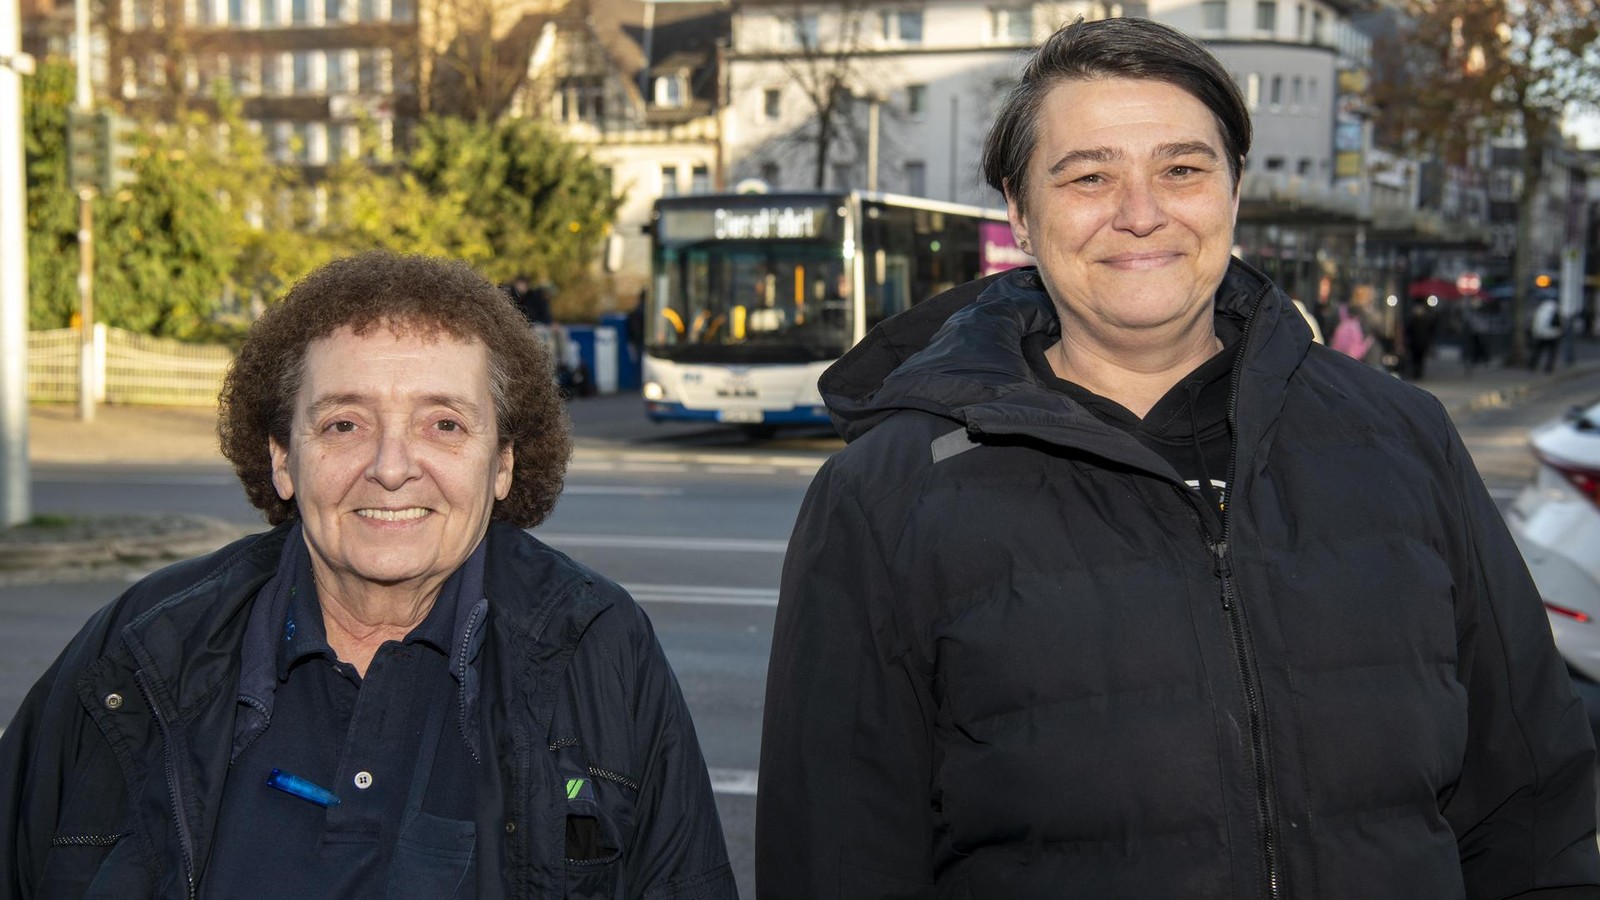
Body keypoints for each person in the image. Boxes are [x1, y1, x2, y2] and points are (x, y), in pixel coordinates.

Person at [756, 17, 1598, 899]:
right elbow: (834, 858)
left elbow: (1531, 814)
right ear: (1020, 211)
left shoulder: (1405, 437)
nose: (1141, 212)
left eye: (1182, 169)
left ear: (1235, 188)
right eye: (1089, 176)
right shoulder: (884, 497)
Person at [0, 252, 736, 899]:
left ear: (504, 462)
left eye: (443, 424)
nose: (390, 468)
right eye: (344, 424)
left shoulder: (599, 647)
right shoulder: (142, 648)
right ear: (284, 458)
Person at [1530, 293, 1563, 373]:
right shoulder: (1556, 308)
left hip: (1541, 334)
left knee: (1538, 350)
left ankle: (1532, 364)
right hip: (1553, 334)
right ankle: (1548, 368)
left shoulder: (1540, 309)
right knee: (1551, 352)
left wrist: (1535, 332)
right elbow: (1559, 322)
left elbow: (1536, 322)